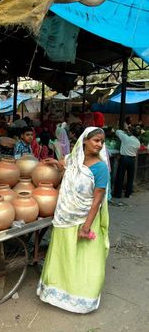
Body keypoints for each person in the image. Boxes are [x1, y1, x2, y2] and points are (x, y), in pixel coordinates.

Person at [37, 127, 109, 314]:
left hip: (84, 220)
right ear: (85, 141)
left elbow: (96, 201)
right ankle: (56, 293)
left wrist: (86, 227)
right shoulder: (74, 159)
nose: (99, 144)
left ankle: (82, 299)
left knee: (83, 260)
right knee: (63, 255)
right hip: (64, 217)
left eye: (101, 141)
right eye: (96, 140)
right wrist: (53, 161)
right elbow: (63, 164)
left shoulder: (101, 168)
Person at [113, 126, 141, 198]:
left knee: (120, 176)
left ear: (131, 132)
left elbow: (117, 131)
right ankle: (128, 194)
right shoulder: (138, 142)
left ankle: (118, 194)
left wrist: (125, 132)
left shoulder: (126, 138)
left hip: (124, 159)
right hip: (132, 160)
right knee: (130, 177)